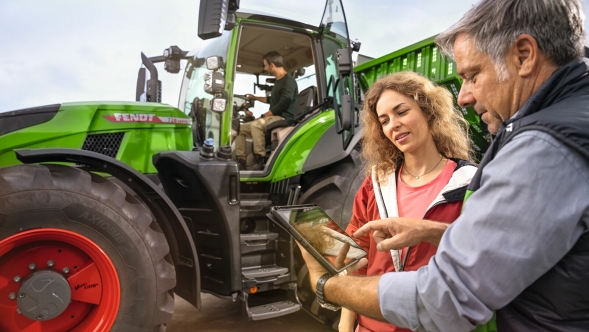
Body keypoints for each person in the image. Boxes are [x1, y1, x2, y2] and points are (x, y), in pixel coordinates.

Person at [299, 0, 589, 330]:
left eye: (473, 75)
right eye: (382, 120)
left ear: (524, 55)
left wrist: (326, 284)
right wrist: (435, 231)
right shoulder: (374, 184)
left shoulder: (537, 150)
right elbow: (508, 247)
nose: (464, 96)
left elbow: (448, 297)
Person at [338, 72, 477, 332]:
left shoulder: (468, 183)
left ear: (428, 110)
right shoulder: (376, 184)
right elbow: (356, 260)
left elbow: (481, 261)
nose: (394, 125)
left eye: (401, 112)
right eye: (384, 121)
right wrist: (346, 326)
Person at [235, 51, 298, 170]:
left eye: (265, 65)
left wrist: (263, 116)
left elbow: (284, 103)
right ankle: (241, 161)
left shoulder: (288, 81)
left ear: (272, 65)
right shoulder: (278, 81)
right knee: (240, 129)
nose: (265, 68)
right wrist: (255, 98)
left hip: (283, 117)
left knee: (256, 125)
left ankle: (260, 160)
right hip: (274, 117)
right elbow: (271, 99)